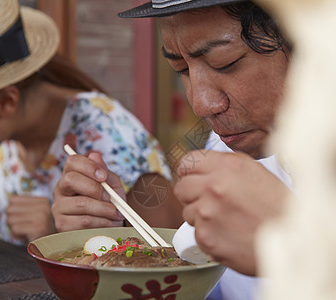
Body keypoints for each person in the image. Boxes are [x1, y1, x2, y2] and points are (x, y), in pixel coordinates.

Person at [53, 0, 293, 298]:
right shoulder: (224, 146)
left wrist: (293, 235)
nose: (201, 104)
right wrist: (118, 229)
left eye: (224, 63)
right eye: (181, 69)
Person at [0, 0, 181, 246]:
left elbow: (171, 260)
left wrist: (58, 242)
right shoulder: (0, 145)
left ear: (5, 103)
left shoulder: (111, 136)